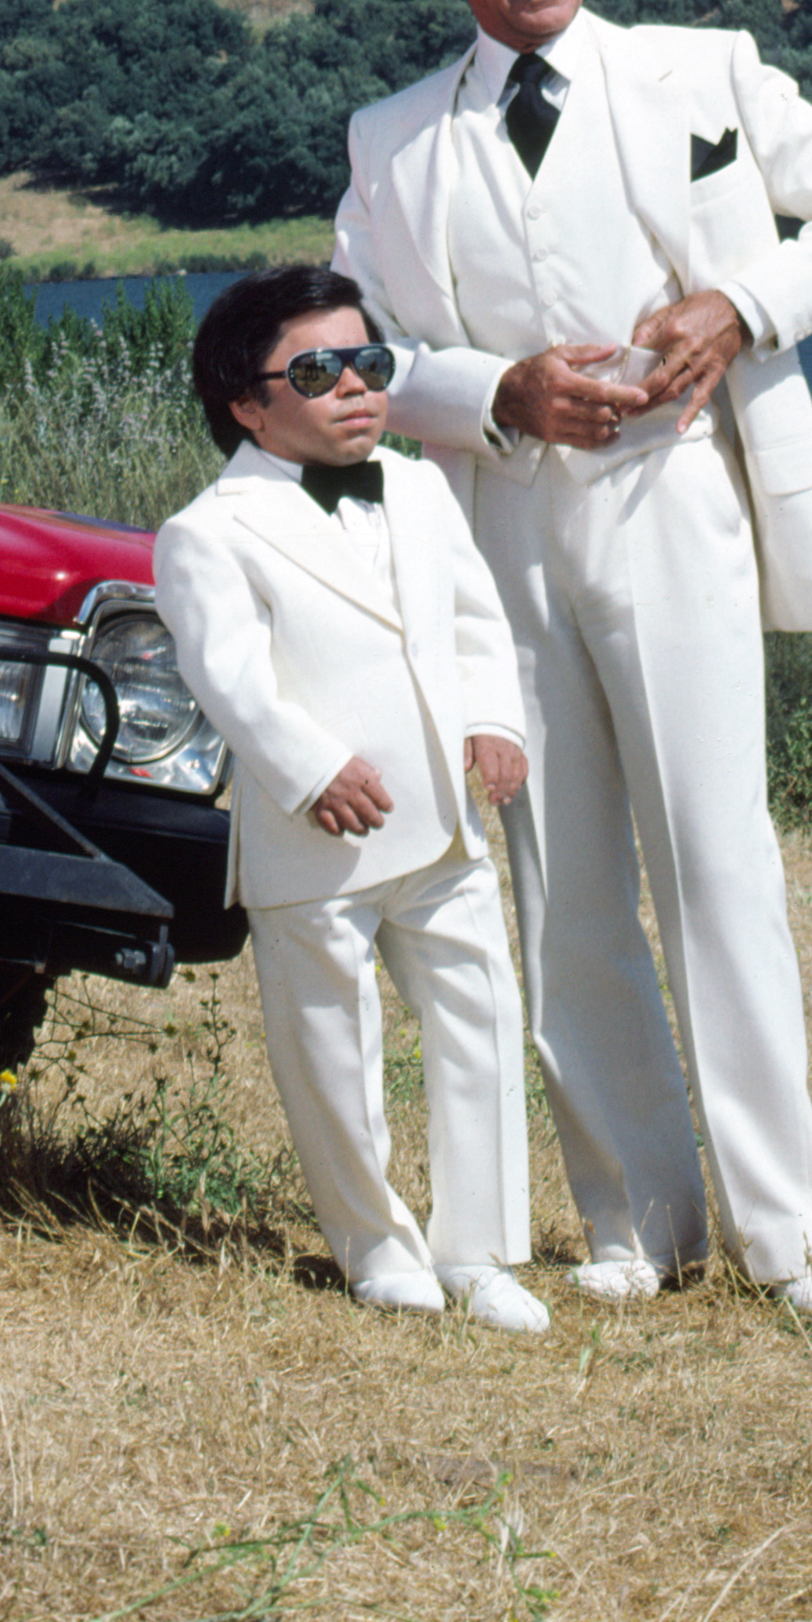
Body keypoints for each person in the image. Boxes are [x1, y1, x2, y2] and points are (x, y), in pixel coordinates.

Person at [332, 0, 812, 1323]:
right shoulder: (392, 140)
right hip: (504, 530)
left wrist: (742, 298)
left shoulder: (703, 73)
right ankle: (632, 1219)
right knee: (561, 880)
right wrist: (493, 394)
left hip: (679, 504)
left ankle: (791, 1240)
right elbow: (361, 358)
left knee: (718, 860)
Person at [152, 262, 547, 1332]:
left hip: (439, 821)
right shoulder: (208, 532)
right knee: (332, 1042)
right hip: (314, 835)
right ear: (248, 403)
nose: (356, 389)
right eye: (318, 372)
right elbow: (226, 677)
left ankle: (480, 1249)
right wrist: (312, 767)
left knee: (480, 1015)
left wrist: (493, 721)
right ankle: (375, 1246)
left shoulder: (416, 486)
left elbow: (475, 621)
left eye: (368, 363)